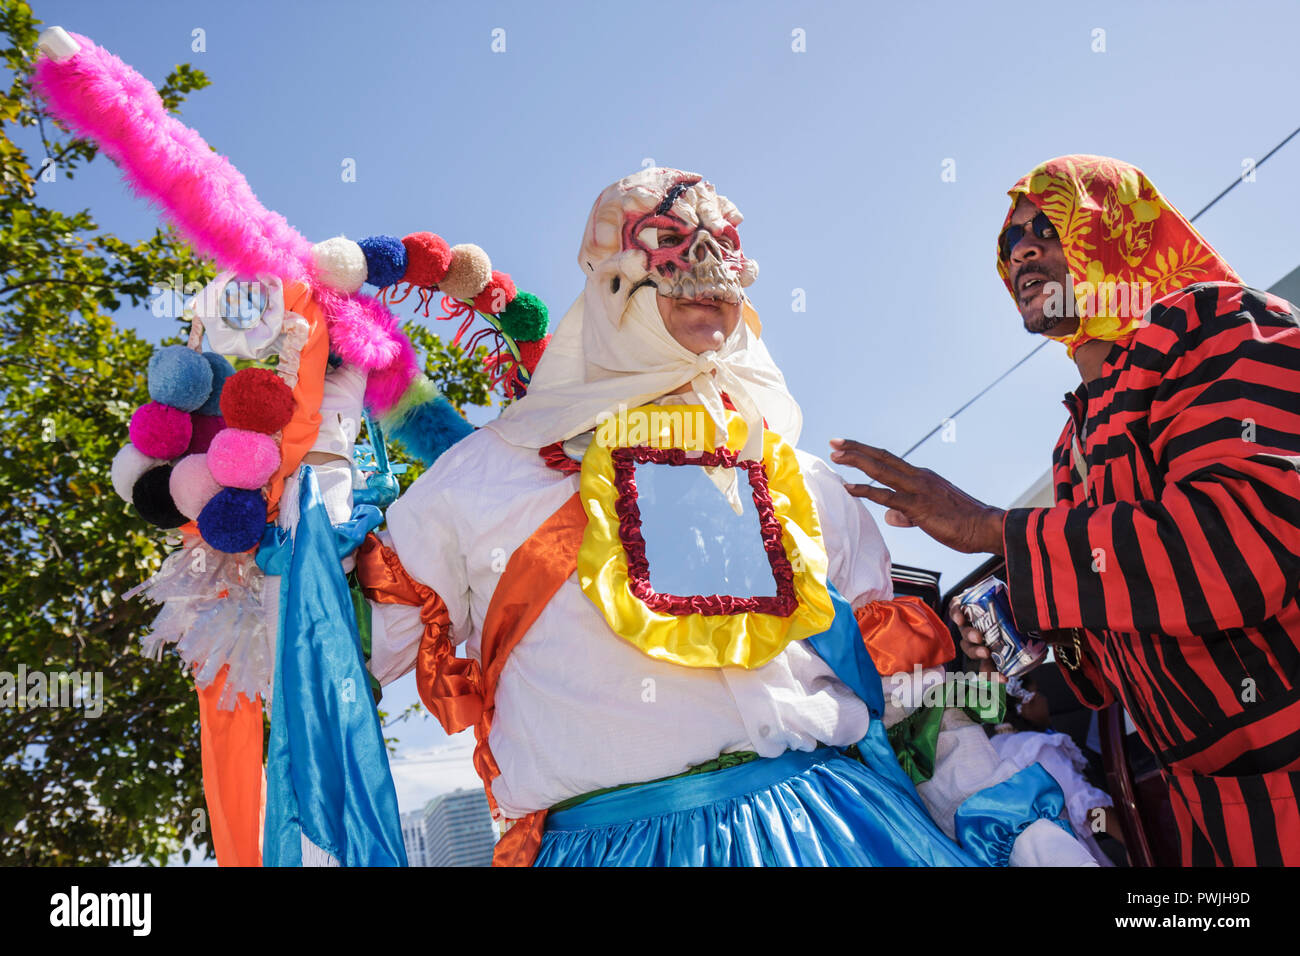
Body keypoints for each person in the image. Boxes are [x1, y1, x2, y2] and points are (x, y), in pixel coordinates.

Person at [358, 167, 1095, 866]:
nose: (704, 262)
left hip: (846, 830)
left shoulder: (803, 485)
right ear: (612, 281)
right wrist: (297, 462)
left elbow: (907, 699)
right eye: (670, 243)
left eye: (721, 244)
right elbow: (337, 651)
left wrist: (1015, 819)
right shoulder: (489, 474)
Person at [832, 154, 1300, 866]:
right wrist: (1023, 653)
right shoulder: (1074, 442)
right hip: (1201, 806)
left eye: (1048, 226)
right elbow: (1115, 662)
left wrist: (994, 530)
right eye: (1009, 242)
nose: (1022, 249)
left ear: (1115, 233)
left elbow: (1244, 549)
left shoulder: (1223, 325)